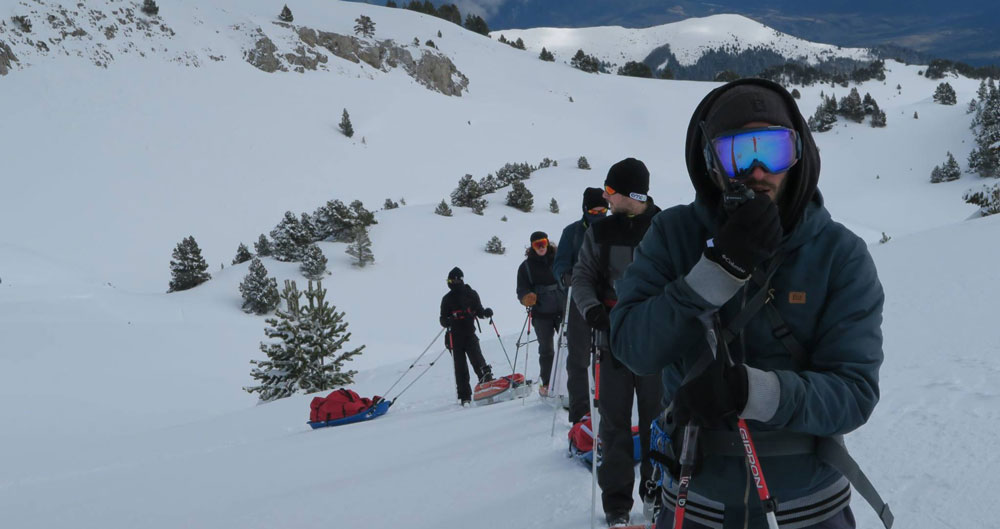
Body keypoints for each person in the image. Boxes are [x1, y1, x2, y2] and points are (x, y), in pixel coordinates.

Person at [611, 79, 890, 529]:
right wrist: (714, 271)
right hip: (696, 501)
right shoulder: (674, 235)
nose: (758, 170)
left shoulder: (839, 254)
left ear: (799, 154)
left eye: (775, 149)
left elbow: (853, 393)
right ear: (711, 161)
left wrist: (752, 392)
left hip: (808, 507)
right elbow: (631, 347)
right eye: (738, 152)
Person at [572, 158, 664, 527]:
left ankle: (658, 497)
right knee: (613, 425)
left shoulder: (665, 228)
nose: (606, 197)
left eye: (611, 191)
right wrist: (592, 310)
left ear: (630, 194)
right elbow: (582, 276)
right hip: (610, 341)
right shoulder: (600, 231)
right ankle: (617, 506)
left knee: (660, 423)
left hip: (657, 342)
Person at [553, 187, 608, 423]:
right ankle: (580, 413)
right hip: (578, 299)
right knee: (578, 357)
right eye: (594, 210)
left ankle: (608, 407)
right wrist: (567, 277)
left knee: (608, 355)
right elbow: (559, 265)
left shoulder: (612, 229)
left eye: (603, 209)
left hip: (607, 299)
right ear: (585, 210)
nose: (599, 214)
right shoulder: (572, 232)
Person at [440, 267, 494, 406]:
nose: (450, 283)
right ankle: (464, 397)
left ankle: (487, 386)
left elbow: (479, 311)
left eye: (452, 280)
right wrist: (447, 321)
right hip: (454, 337)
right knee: (460, 368)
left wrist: (486, 313)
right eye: (449, 280)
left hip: (469, 333)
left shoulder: (471, 294)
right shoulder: (446, 299)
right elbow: (442, 319)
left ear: (459, 280)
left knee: (478, 361)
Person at [516, 231, 562, 395]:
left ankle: (573, 378)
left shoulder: (560, 258)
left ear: (548, 242)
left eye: (543, 242)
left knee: (572, 345)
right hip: (542, 313)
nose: (541, 247)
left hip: (564, 309)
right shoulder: (526, 267)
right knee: (546, 350)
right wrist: (526, 297)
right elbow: (521, 289)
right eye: (537, 244)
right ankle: (548, 382)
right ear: (532, 246)